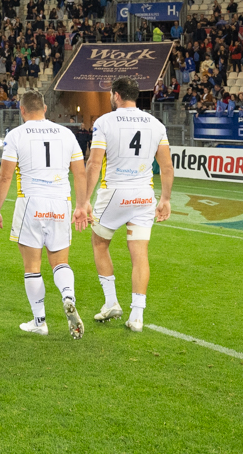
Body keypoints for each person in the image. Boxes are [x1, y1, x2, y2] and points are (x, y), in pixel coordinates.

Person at [0, 90, 90, 338]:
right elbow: (80, 173)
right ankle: (68, 296)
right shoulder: (66, 134)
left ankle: (40, 321)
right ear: (45, 109)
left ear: (22, 111)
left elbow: (5, 176)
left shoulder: (16, 135)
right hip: (61, 203)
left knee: (32, 266)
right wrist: (81, 205)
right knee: (60, 262)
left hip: (31, 204)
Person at [78, 77, 174, 332]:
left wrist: (84, 200)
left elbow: (94, 163)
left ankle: (111, 302)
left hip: (115, 193)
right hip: (144, 195)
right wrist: (165, 199)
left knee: (100, 243)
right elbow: (166, 166)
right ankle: (137, 316)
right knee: (139, 253)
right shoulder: (156, 124)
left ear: (117, 95)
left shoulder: (105, 122)